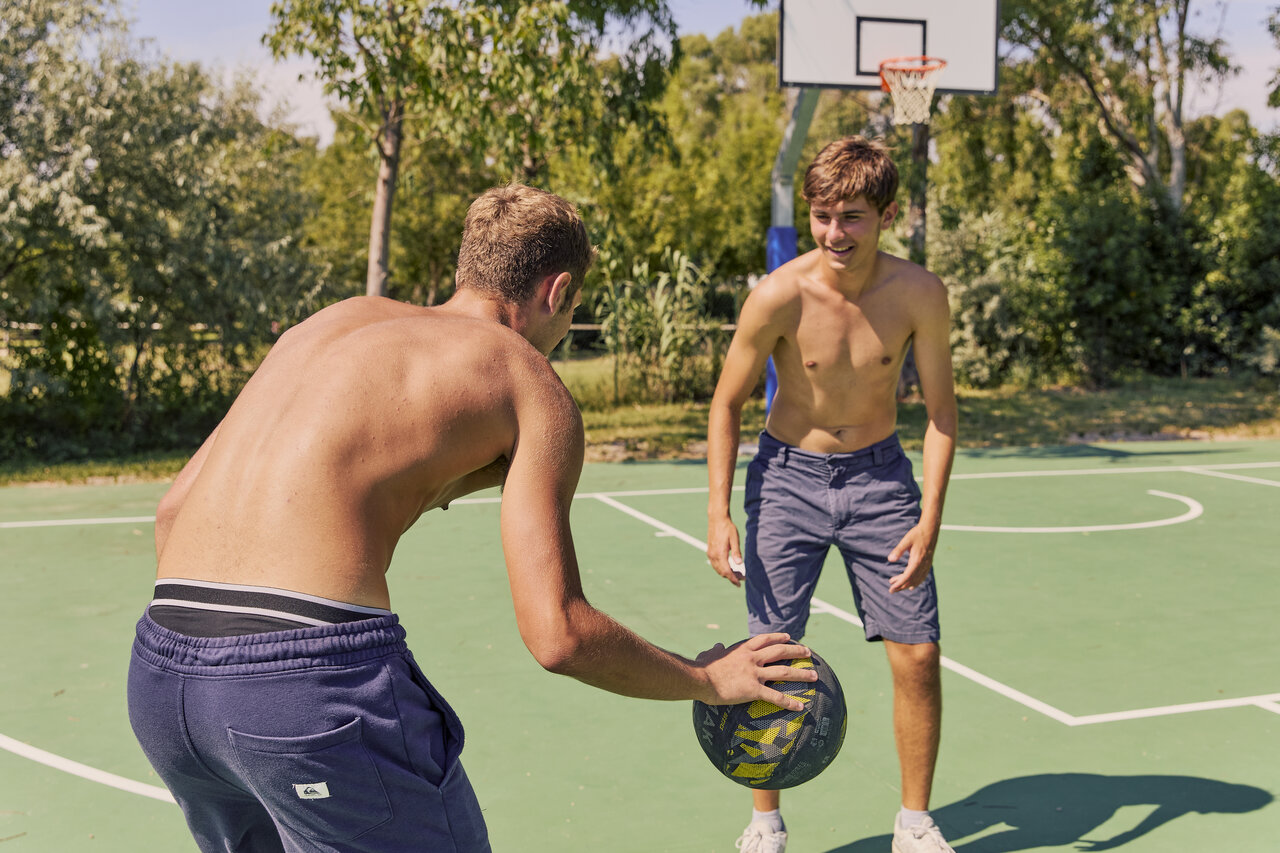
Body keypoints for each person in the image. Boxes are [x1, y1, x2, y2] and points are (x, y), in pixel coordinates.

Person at [127, 183, 818, 853]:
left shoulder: (332, 323)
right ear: (557, 291)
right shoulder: (524, 379)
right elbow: (558, 634)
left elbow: (172, 512)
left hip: (163, 677)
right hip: (304, 689)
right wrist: (707, 679)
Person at [705, 137, 959, 853]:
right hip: (787, 478)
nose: (834, 232)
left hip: (882, 480)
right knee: (771, 652)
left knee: (918, 652)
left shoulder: (919, 293)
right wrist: (718, 509)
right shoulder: (778, 294)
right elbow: (726, 403)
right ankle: (765, 820)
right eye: (821, 214)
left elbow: (941, 410)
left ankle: (914, 822)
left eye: (851, 215)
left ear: (887, 214)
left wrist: (931, 515)